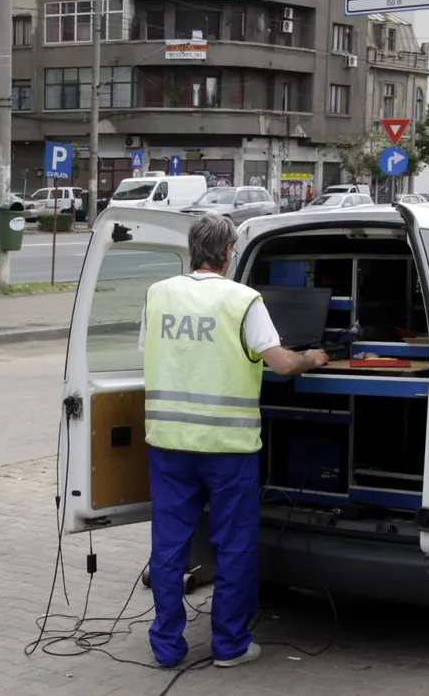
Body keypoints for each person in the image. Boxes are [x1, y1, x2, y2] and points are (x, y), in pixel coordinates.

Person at [138, 213, 329, 670]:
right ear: (228, 253)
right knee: (234, 546)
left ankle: (167, 646)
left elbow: (152, 352)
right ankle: (230, 646)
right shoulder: (243, 300)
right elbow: (281, 364)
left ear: (192, 250)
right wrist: (312, 357)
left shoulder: (157, 294)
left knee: (169, 547)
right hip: (227, 448)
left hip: (169, 444)